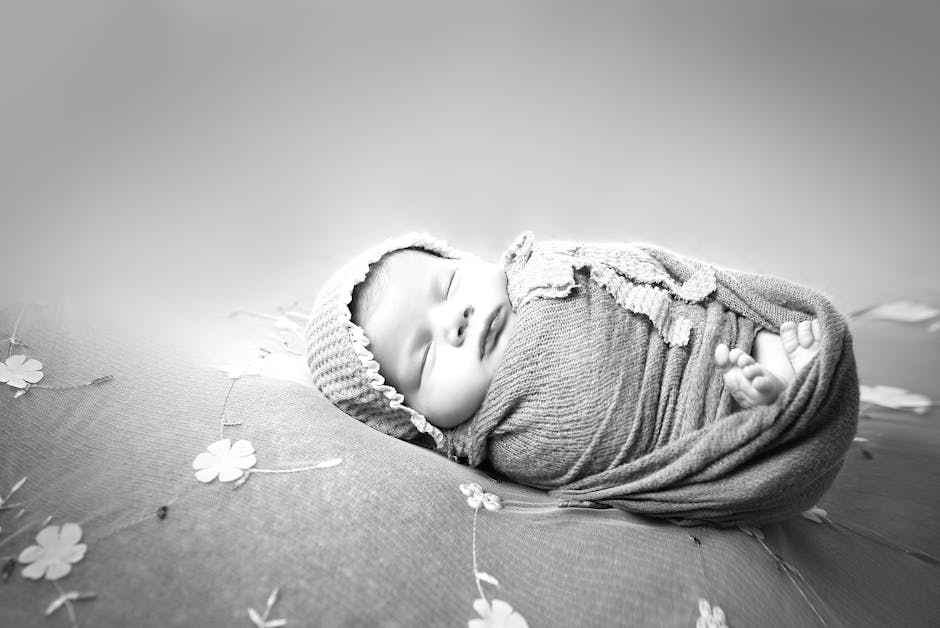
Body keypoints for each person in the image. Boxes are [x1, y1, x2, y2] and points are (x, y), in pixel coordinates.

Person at [305, 232, 858, 526]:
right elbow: (606, 456)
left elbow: (659, 275)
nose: (457, 320)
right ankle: (758, 413)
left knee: (734, 335)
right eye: (426, 358)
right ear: (418, 420)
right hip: (680, 428)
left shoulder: (542, 269)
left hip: (702, 337)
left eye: (449, 285)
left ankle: (776, 372)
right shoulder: (504, 436)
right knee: (714, 409)